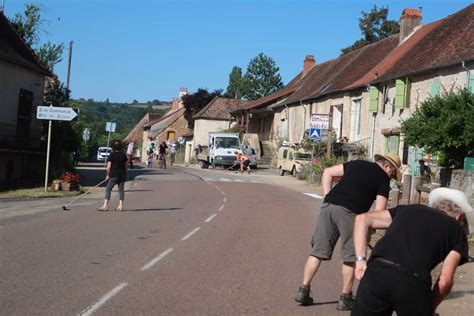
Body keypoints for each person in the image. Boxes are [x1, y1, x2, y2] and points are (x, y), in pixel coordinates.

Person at [295, 152, 401, 311]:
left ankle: (303, 290)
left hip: (328, 206)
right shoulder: (383, 179)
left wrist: (327, 194)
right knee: (351, 257)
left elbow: (327, 172)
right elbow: (379, 212)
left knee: (317, 251)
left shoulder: (356, 163)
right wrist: (368, 230)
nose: (391, 177)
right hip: (351, 212)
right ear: (387, 166)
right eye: (392, 173)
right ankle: (345, 297)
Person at [351, 187, 470, 316]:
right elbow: (445, 281)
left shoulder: (409, 209)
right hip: (412, 281)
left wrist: (360, 260)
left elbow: (362, 219)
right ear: (458, 216)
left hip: (377, 271)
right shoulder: (456, 230)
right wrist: (430, 308)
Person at [97, 140, 128, 212]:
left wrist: (107, 175)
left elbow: (108, 167)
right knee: (121, 190)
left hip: (113, 175)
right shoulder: (123, 155)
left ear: (113, 147)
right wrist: (126, 174)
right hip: (121, 175)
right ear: (120, 147)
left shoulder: (112, 155)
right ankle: (120, 206)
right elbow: (126, 166)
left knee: (108, 189)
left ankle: (105, 206)